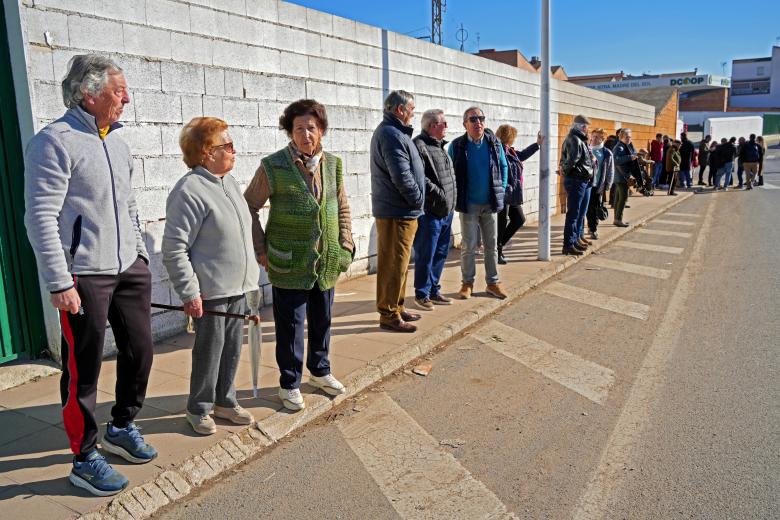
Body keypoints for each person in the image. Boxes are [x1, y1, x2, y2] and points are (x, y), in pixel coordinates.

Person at [23, 54, 156, 496]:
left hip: (127, 268)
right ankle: (84, 457)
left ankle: (122, 426)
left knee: (141, 351)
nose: (127, 99)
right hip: (83, 274)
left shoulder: (117, 140)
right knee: (84, 369)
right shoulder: (54, 142)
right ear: (90, 92)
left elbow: (129, 203)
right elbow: (39, 215)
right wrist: (59, 281)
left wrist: (138, 253)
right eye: (120, 92)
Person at [245, 99, 354, 411]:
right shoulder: (273, 166)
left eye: (312, 127)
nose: (306, 134)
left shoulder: (333, 164)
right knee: (291, 325)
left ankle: (320, 371)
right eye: (299, 129)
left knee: (323, 319)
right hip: (289, 260)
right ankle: (289, 382)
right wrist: (260, 248)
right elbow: (249, 206)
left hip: (326, 260)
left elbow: (342, 205)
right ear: (289, 132)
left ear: (321, 130)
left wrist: (346, 244)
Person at [163, 117, 259, 431]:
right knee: (209, 352)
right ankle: (198, 408)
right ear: (206, 152)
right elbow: (175, 247)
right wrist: (189, 293)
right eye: (226, 145)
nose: (234, 150)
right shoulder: (189, 191)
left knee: (232, 349)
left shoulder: (228, 182)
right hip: (211, 292)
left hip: (238, 287)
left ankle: (225, 401)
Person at [369, 90, 425, 332]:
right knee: (393, 263)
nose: (413, 114)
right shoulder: (391, 134)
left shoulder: (395, 132)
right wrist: (417, 199)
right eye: (411, 109)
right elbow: (402, 176)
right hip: (397, 211)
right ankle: (389, 315)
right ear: (400, 110)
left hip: (402, 210)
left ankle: (397, 307)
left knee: (399, 264)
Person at [449, 107, 510, 296]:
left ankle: (493, 283)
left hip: (490, 203)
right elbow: (449, 173)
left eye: (481, 118)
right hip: (469, 204)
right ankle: (467, 283)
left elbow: (503, 166)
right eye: (473, 119)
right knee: (469, 245)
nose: (478, 122)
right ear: (464, 124)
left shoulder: (494, 143)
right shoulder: (457, 146)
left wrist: (502, 187)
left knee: (491, 246)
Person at [411, 109, 456, 310]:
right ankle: (422, 294)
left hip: (446, 211)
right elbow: (420, 178)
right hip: (431, 212)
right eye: (443, 123)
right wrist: (439, 194)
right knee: (426, 254)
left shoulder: (440, 147)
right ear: (431, 126)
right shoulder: (419, 146)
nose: (446, 126)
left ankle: (434, 290)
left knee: (440, 253)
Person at [495, 125, 542, 264]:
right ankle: (497, 253)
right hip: (504, 193)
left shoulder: (510, 151)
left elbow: (522, 155)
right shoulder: (498, 150)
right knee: (501, 224)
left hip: (512, 194)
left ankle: (498, 247)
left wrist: (537, 144)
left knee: (519, 219)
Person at [559, 115, 594, 254]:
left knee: (577, 213)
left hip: (580, 179)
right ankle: (568, 245)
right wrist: (565, 171)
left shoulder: (578, 139)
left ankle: (573, 242)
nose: (587, 129)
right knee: (573, 214)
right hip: (576, 180)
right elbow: (572, 160)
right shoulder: (575, 139)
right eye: (585, 126)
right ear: (580, 126)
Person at [586, 128, 614, 240]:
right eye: (593, 136)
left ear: (603, 139)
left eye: (597, 137)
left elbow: (610, 170)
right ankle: (584, 229)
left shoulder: (607, 153)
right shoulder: (586, 148)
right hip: (585, 184)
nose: (594, 138)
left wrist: (608, 185)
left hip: (598, 185)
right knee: (586, 208)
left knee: (595, 208)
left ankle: (593, 229)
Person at [612, 128, 636, 226]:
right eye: (627, 137)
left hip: (620, 176)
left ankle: (616, 219)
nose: (629, 139)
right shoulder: (620, 147)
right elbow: (616, 160)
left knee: (618, 199)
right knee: (623, 199)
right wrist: (630, 157)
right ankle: (618, 219)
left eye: (630, 137)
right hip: (621, 177)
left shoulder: (624, 146)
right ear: (621, 137)